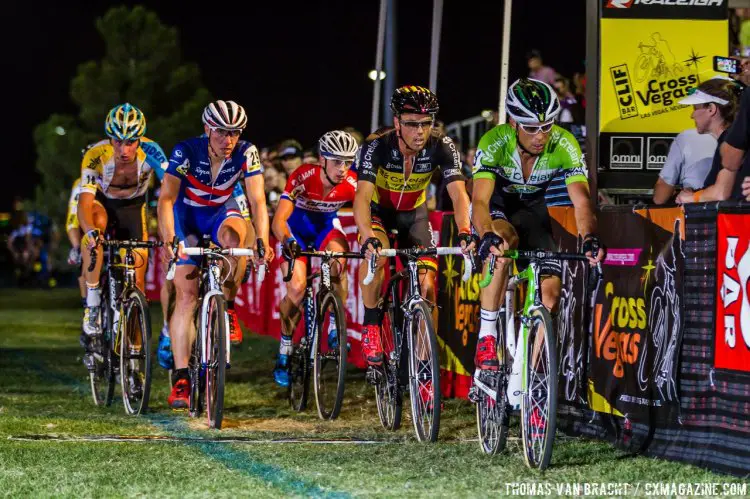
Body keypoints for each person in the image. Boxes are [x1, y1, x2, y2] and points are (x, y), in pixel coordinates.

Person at [471, 78, 604, 373]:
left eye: (547, 126)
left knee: (552, 293)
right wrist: (484, 235)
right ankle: (487, 335)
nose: (541, 135)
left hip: (534, 213)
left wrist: (589, 238)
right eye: (531, 128)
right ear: (514, 123)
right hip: (499, 206)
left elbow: (581, 201)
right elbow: (479, 201)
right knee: (502, 245)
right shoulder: (494, 141)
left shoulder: (564, 143)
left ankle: (531, 378)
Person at [158, 100, 272, 409]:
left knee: (238, 238)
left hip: (221, 211)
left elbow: (258, 201)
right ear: (208, 129)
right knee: (186, 296)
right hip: (188, 216)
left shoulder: (246, 152)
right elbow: (166, 199)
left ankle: (228, 305)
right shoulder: (186, 151)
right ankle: (182, 377)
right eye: (222, 133)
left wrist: (262, 240)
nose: (229, 141)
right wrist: (170, 239)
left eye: (235, 133)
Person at [354, 85, 474, 369]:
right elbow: (361, 196)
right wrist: (368, 237)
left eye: (426, 123)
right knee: (378, 254)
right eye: (411, 124)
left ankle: (423, 368)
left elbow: (459, 194)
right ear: (397, 122)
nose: (420, 131)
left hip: (415, 214)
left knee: (428, 286)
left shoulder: (441, 145)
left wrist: (466, 231)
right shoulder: (377, 144)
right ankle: (371, 324)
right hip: (378, 212)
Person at [77, 103, 168, 364]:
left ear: (140, 140)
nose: (124, 150)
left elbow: (172, 189)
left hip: (133, 209)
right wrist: (90, 232)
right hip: (101, 206)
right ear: (110, 139)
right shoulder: (95, 155)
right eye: (118, 142)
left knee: (137, 284)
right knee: (94, 232)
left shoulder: (152, 151)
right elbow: (84, 202)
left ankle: (134, 358)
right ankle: (93, 304)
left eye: (131, 143)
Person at [271, 130, 359, 386]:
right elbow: (279, 221)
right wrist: (288, 242)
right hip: (296, 230)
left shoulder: (352, 182)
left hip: (325, 227)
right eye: (337, 162)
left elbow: (367, 213)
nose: (343, 168)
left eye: (348, 162)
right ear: (323, 160)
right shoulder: (304, 176)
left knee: (338, 261)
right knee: (297, 289)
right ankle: (285, 347)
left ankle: (334, 324)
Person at [673, 79, 743, 204]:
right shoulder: (731, 139)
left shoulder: (729, 143)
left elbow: (721, 194)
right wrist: (697, 193)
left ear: (711, 109)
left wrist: (689, 198)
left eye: (695, 108)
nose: (692, 115)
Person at [653, 129, 716, 204]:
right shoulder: (729, 139)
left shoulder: (687, 137)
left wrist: (692, 197)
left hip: (696, 209)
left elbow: (659, 198)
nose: (693, 116)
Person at [65, 177, 86, 307]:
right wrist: (77, 246)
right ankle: (87, 304)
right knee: (84, 259)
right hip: (85, 223)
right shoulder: (81, 183)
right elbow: (73, 218)